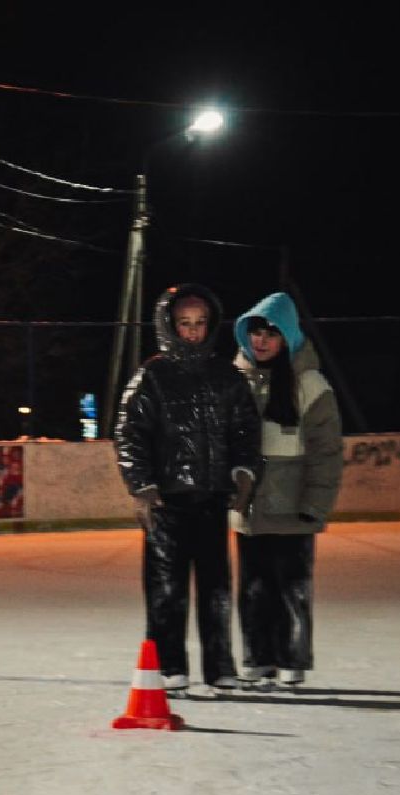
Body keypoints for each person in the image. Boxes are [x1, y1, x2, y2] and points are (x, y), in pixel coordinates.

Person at [114, 284, 261, 698]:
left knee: (216, 588)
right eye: (184, 324)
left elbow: (246, 430)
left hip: (212, 498)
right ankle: (169, 667)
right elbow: (130, 435)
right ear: (169, 325)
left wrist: (244, 473)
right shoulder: (153, 375)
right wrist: (141, 487)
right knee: (166, 589)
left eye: (200, 324)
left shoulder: (226, 375)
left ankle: (220, 668)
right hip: (167, 502)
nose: (193, 332)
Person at [229, 292, 344, 690]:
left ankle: (291, 658)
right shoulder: (236, 379)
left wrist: (316, 505)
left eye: (271, 333)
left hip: (294, 509)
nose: (260, 341)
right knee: (253, 588)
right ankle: (258, 658)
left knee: (292, 588)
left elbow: (327, 453)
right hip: (249, 507)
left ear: (288, 337)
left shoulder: (310, 384)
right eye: (255, 332)